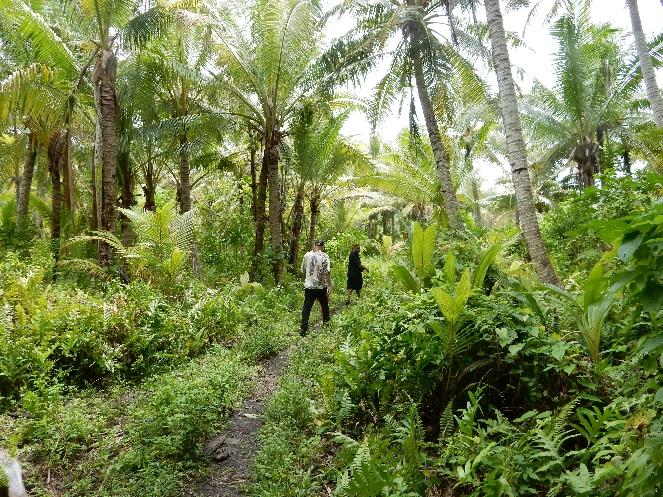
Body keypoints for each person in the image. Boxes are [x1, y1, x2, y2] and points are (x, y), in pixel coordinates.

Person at [300, 240, 332, 336]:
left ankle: (303, 328)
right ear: (323, 247)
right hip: (320, 286)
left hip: (309, 286)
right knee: (324, 305)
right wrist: (329, 285)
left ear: (314, 246)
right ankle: (326, 324)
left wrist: (308, 279)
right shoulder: (325, 256)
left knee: (307, 307)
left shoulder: (307, 255)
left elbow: (303, 270)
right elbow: (327, 272)